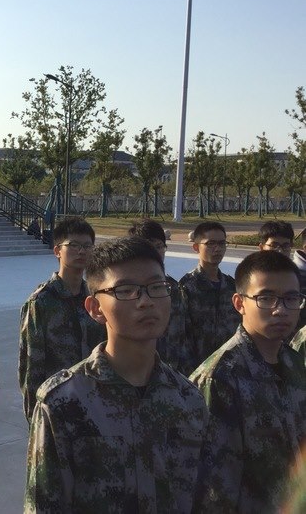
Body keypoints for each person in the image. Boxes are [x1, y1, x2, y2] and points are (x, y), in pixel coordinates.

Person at [25, 237, 208, 513]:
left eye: (157, 287)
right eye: (126, 290)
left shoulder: (188, 399)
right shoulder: (63, 403)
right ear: (95, 308)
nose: (145, 301)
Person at [190, 251, 306, 512]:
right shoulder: (219, 378)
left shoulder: (295, 364)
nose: (280, 309)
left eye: (291, 298)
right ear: (239, 303)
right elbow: (213, 490)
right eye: (266, 298)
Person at [19, 215, 105, 421]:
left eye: (87, 246)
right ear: (57, 251)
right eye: (74, 245)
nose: (81, 251)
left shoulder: (98, 298)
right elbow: (31, 366)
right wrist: (34, 418)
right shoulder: (41, 302)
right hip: (57, 406)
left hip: (95, 403)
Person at [128, 219, 192, 374]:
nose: (156, 253)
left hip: (174, 373)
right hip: (140, 372)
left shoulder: (174, 287)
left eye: (159, 246)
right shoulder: (126, 291)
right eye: (149, 247)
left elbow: (183, 334)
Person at [180, 221, 241, 371]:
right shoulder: (186, 287)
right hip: (199, 369)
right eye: (210, 244)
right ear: (196, 247)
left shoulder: (232, 286)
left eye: (222, 243)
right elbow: (182, 336)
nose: (217, 249)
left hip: (232, 367)